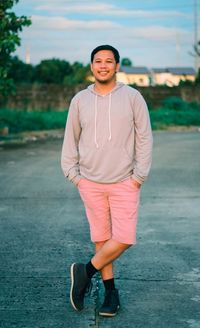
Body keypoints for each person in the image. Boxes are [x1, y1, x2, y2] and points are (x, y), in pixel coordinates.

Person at [61, 44, 153, 317]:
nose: (103, 66)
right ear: (92, 66)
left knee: (123, 238)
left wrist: (139, 176)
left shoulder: (133, 97)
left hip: (125, 181)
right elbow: (71, 139)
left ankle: (84, 271)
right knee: (101, 239)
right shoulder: (80, 100)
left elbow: (145, 137)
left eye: (108, 61)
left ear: (117, 66)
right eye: (98, 61)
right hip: (90, 181)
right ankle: (110, 293)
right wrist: (74, 175)